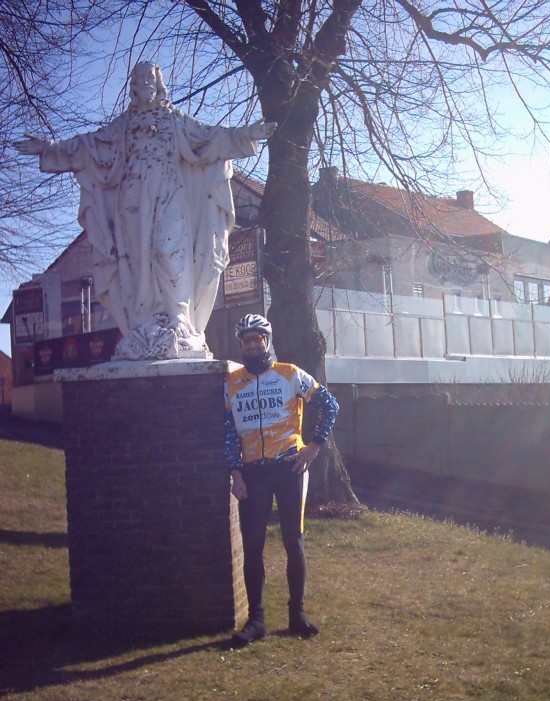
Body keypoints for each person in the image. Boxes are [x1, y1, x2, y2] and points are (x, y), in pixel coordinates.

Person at [14, 62, 276, 360]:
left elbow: (209, 137)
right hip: (133, 197)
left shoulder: (174, 119)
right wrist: (48, 148)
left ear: (158, 83)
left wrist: (246, 134)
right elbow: (89, 146)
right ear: (133, 86)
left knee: (169, 250)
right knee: (137, 259)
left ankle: (179, 318)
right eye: (139, 79)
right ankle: (143, 322)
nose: (145, 83)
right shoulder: (124, 125)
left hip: (168, 191)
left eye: (149, 78)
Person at [224, 314, 339, 647]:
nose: (252, 344)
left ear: (268, 340)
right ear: (240, 344)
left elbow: (330, 405)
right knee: (252, 545)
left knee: (293, 541)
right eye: (246, 339)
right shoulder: (231, 383)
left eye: (257, 338)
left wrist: (314, 446)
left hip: (290, 468)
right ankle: (256, 621)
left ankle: (296, 615)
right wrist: (235, 472)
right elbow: (229, 431)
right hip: (253, 474)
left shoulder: (290, 374)